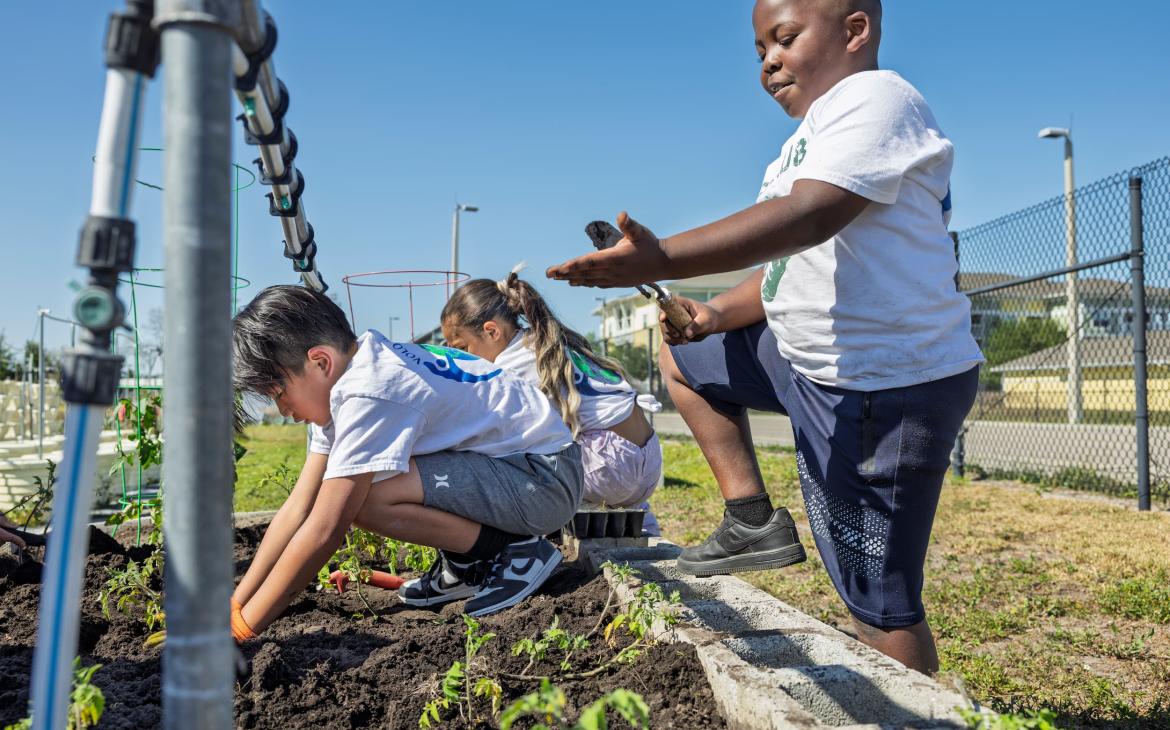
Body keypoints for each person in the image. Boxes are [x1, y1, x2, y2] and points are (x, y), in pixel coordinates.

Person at [546, 0, 982, 675]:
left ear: (855, 31)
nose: (769, 61)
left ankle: (920, 713)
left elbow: (807, 219)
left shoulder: (879, 99)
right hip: (809, 362)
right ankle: (750, 518)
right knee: (685, 354)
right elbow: (789, 266)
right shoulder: (803, 145)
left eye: (783, 39)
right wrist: (714, 315)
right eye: (759, 52)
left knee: (875, 597)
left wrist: (662, 260)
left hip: (884, 382)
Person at [228, 285, 583, 640]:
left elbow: (325, 528)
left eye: (279, 394)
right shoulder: (351, 377)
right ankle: (469, 563)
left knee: (364, 499)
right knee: (359, 490)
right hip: (521, 473)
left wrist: (242, 632)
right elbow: (298, 507)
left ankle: (514, 554)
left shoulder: (369, 389)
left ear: (321, 362)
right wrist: (237, 603)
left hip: (543, 480)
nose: (284, 412)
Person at [440, 268, 664, 535]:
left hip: (610, 466)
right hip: (647, 461)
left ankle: (526, 543)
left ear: (491, 332)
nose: (464, 358)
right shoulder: (546, 341)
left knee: (497, 457)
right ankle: (646, 530)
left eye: (462, 348)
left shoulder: (513, 364)